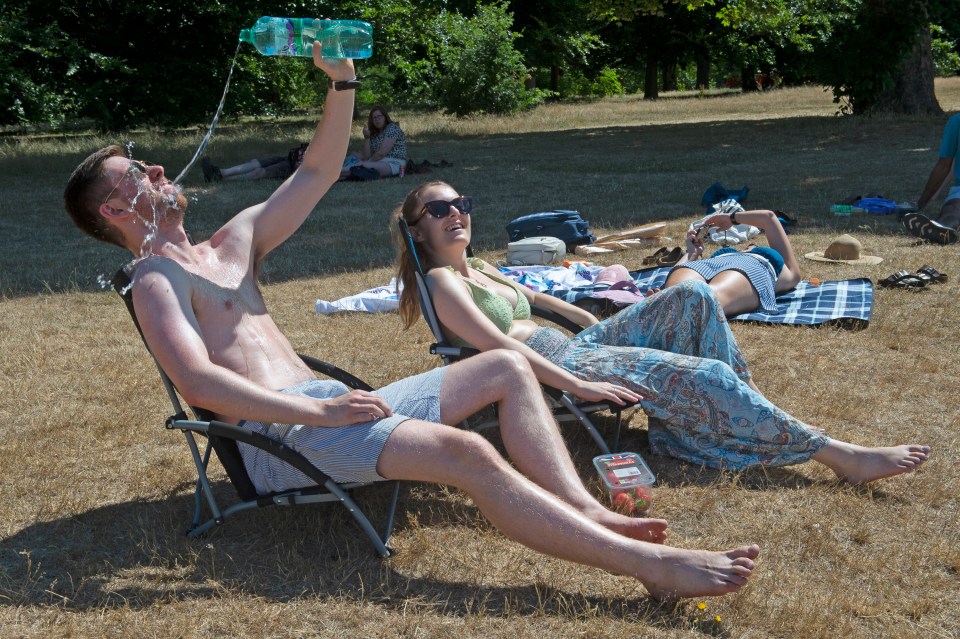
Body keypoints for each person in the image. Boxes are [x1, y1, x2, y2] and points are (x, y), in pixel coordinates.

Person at [62, 53, 761, 601]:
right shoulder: (157, 278)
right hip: (283, 437)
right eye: (137, 173)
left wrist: (342, 84)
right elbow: (198, 379)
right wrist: (318, 406)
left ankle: (584, 506)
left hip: (328, 411)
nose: (157, 168)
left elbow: (318, 169)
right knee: (470, 455)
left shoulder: (229, 243)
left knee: (507, 364)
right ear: (119, 213)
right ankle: (650, 565)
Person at [394, 181, 930, 483]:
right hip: (554, 371)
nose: (455, 214)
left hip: (577, 347)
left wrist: (596, 321)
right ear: (417, 227)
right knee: (704, 372)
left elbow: (535, 299)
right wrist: (579, 386)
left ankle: (714, 419)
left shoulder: (478, 266)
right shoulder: (442, 282)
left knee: (690, 295)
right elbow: (503, 348)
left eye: (462, 203)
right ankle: (837, 455)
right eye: (438, 209)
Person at [664, 210, 802, 317]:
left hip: (751, 267)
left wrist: (732, 218)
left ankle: (664, 311)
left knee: (705, 300)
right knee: (672, 294)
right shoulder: (728, 253)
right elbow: (767, 217)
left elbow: (768, 217)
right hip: (709, 264)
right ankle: (661, 305)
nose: (750, 245)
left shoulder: (786, 271)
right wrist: (692, 253)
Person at [902, 113, 960, 245]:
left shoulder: (957, 121)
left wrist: (921, 202)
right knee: (952, 210)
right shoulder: (956, 122)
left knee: (953, 211)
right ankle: (943, 230)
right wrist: (925, 200)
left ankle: (944, 227)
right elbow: (945, 167)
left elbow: (944, 166)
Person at [340, 106, 408, 178]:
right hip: (379, 162)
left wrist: (368, 162)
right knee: (359, 161)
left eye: (379, 116)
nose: (377, 120)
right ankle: (337, 174)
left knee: (363, 166)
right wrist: (367, 137)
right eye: (374, 118)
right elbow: (367, 156)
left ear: (385, 117)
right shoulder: (375, 134)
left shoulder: (392, 128)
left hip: (394, 163)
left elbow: (382, 153)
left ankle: (335, 174)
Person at [201, 143, 308, 182]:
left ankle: (222, 179)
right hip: (292, 158)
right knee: (255, 163)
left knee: (259, 172)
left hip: (296, 166)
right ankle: (221, 172)